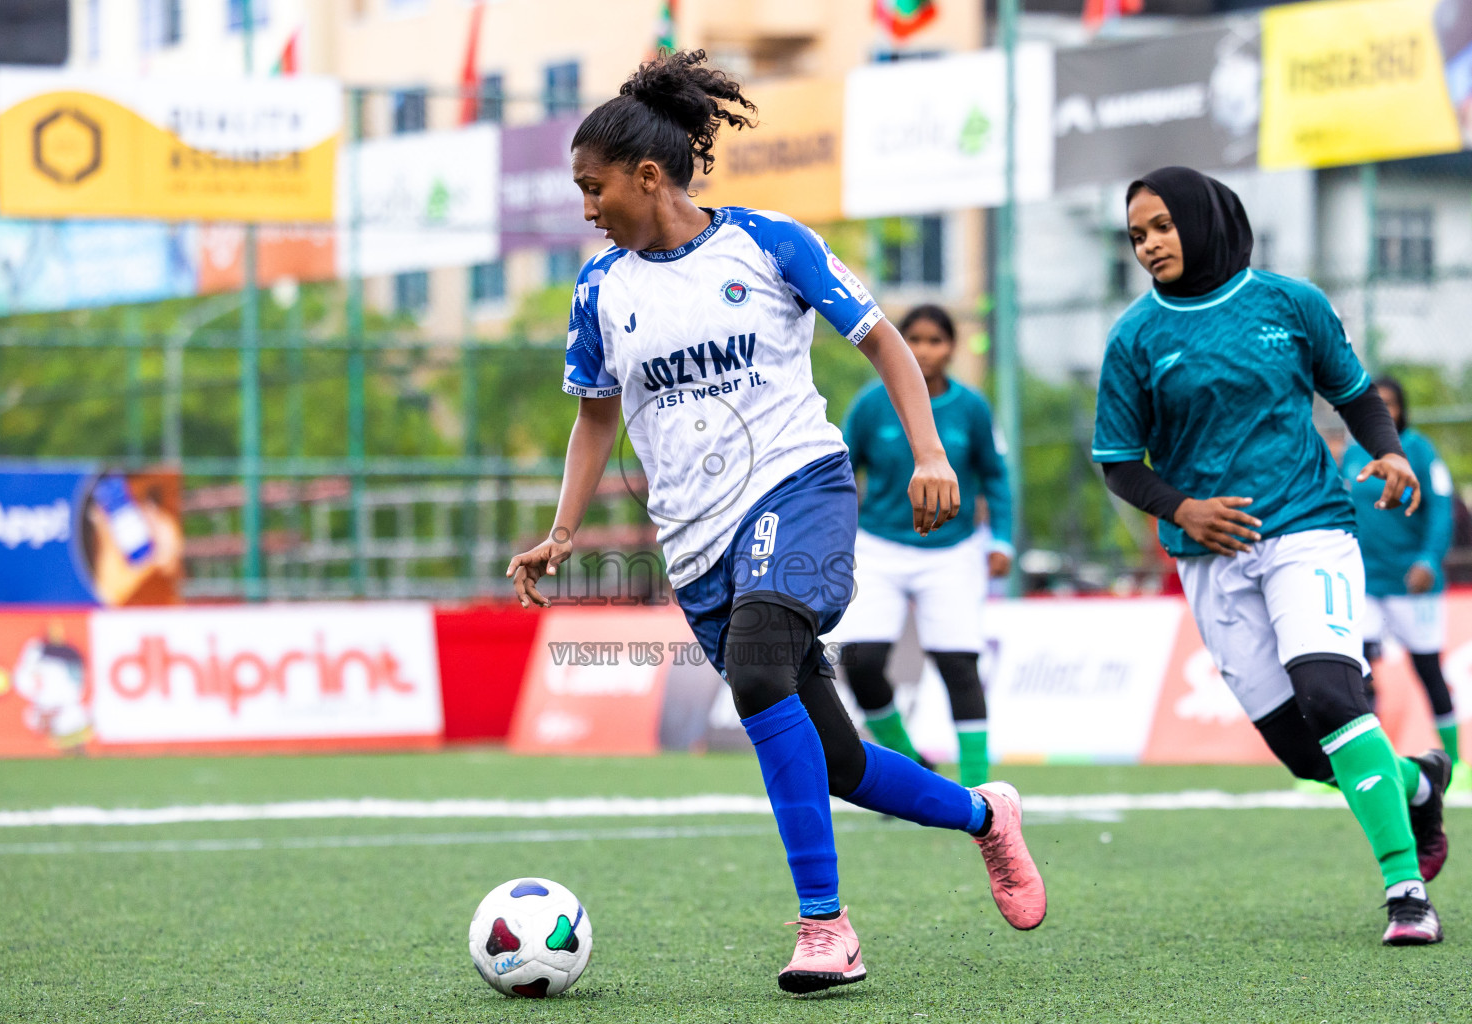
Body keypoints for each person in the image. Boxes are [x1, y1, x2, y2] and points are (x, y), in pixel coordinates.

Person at [505, 50, 1045, 994]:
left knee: (757, 672)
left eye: (593, 189)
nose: (585, 208)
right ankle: (983, 816)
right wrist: (560, 530)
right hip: (694, 544)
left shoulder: (768, 244)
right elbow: (594, 415)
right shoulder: (599, 293)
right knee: (836, 760)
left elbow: (883, 343)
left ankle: (825, 929)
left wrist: (928, 453)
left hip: (800, 490)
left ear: (646, 175)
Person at [1092, 166, 1450, 946]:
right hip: (1206, 557)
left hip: (1307, 525)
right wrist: (1181, 508)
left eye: (1160, 226)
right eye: (1136, 236)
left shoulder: (1290, 303)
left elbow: (1352, 391)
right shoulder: (1133, 337)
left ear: (1204, 218)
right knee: (1300, 751)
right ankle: (1417, 786)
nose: (1149, 244)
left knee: (1330, 694)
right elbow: (1118, 461)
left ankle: (1404, 888)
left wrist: (1385, 453)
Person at [831, 304, 1012, 788]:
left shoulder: (971, 408)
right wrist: (833, 537)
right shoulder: (871, 404)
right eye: (912, 339)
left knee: (958, 665)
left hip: (953, 551)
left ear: (951, 347)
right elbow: (842, 472)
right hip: (879, 548)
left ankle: (983, 793)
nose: (924, 349)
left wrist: (1003, 541)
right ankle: (912, 770)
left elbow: (996, 477)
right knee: (862, 665)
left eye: (935, 340)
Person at [1342, 377, 1462, 784]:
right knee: (1360, 671)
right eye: (1378, 404)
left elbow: (1442, 511)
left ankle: (1458, 764)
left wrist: (1428, 559)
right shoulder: (1353, 455)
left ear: (1403, 409)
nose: (1385, 412)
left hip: (1413, 583)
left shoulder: (1420, 450)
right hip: (1365, 584)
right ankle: (1369, 765)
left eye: (1392, 404)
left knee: (1427, 669)